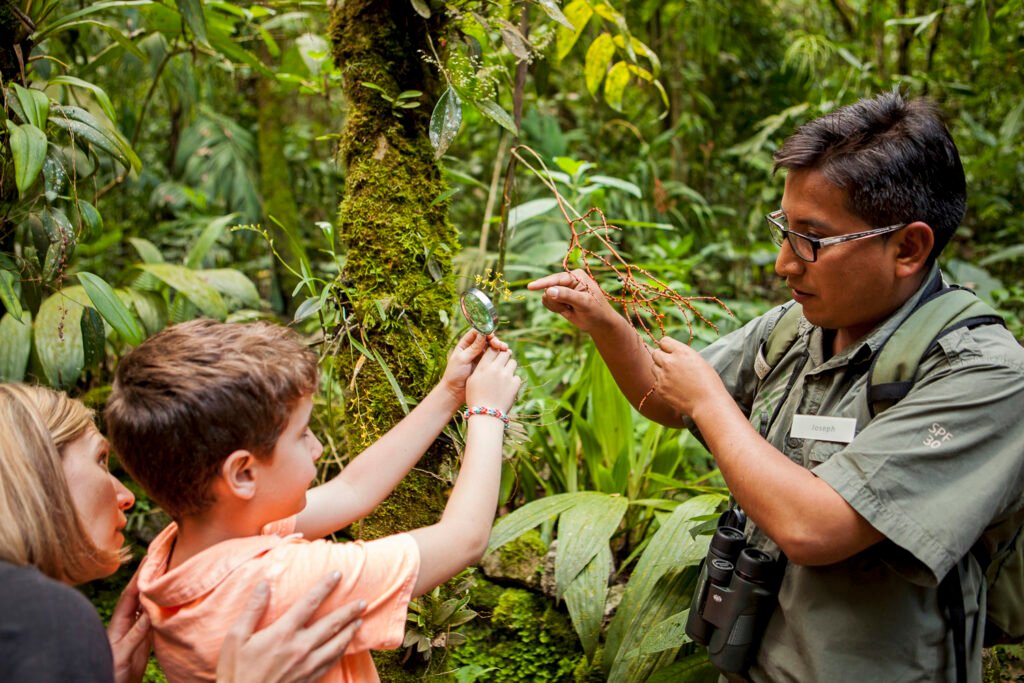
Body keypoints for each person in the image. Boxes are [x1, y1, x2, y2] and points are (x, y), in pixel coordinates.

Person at [528, 91, 1024, 682]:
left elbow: (816, 527)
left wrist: (711, 402)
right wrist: (607, 323)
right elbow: (663, 399)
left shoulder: (984, 376)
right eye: (783, 232)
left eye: (812, 240)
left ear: (908, 247)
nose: (785, 264)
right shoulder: (796, 328)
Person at [104, 320, 520, 683]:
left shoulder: (185, 547)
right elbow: (464, 538)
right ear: (243, 474)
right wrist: (487, 412)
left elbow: (352, 491)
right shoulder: (281, 581)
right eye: (303, 433)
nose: (319, 447)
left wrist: (449, 392)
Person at [0, 383, 365, 683]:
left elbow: (351, 491)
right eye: (99, 459)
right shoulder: (44, 619)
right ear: (36, 472)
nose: (126, 496)